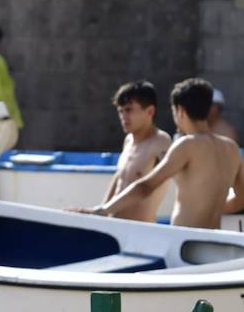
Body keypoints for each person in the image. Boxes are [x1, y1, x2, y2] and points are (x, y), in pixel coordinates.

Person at [79, 78, 244, 229]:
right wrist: (211, 206)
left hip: (183, 239)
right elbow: (241, 199)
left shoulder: (186, 145)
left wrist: (102, 210)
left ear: (180, 110)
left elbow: (145, 187)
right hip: (213, 237)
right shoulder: (231, 148)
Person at [96, 80, 172, 223]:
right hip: (114, 230)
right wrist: (101, 211)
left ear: (150, 111)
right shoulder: (129, 140)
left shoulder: (161, 142)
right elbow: (120, 178)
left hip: (139, 233)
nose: (123, 116)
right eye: (120, 111)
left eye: (129, 110)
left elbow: (148, 186)